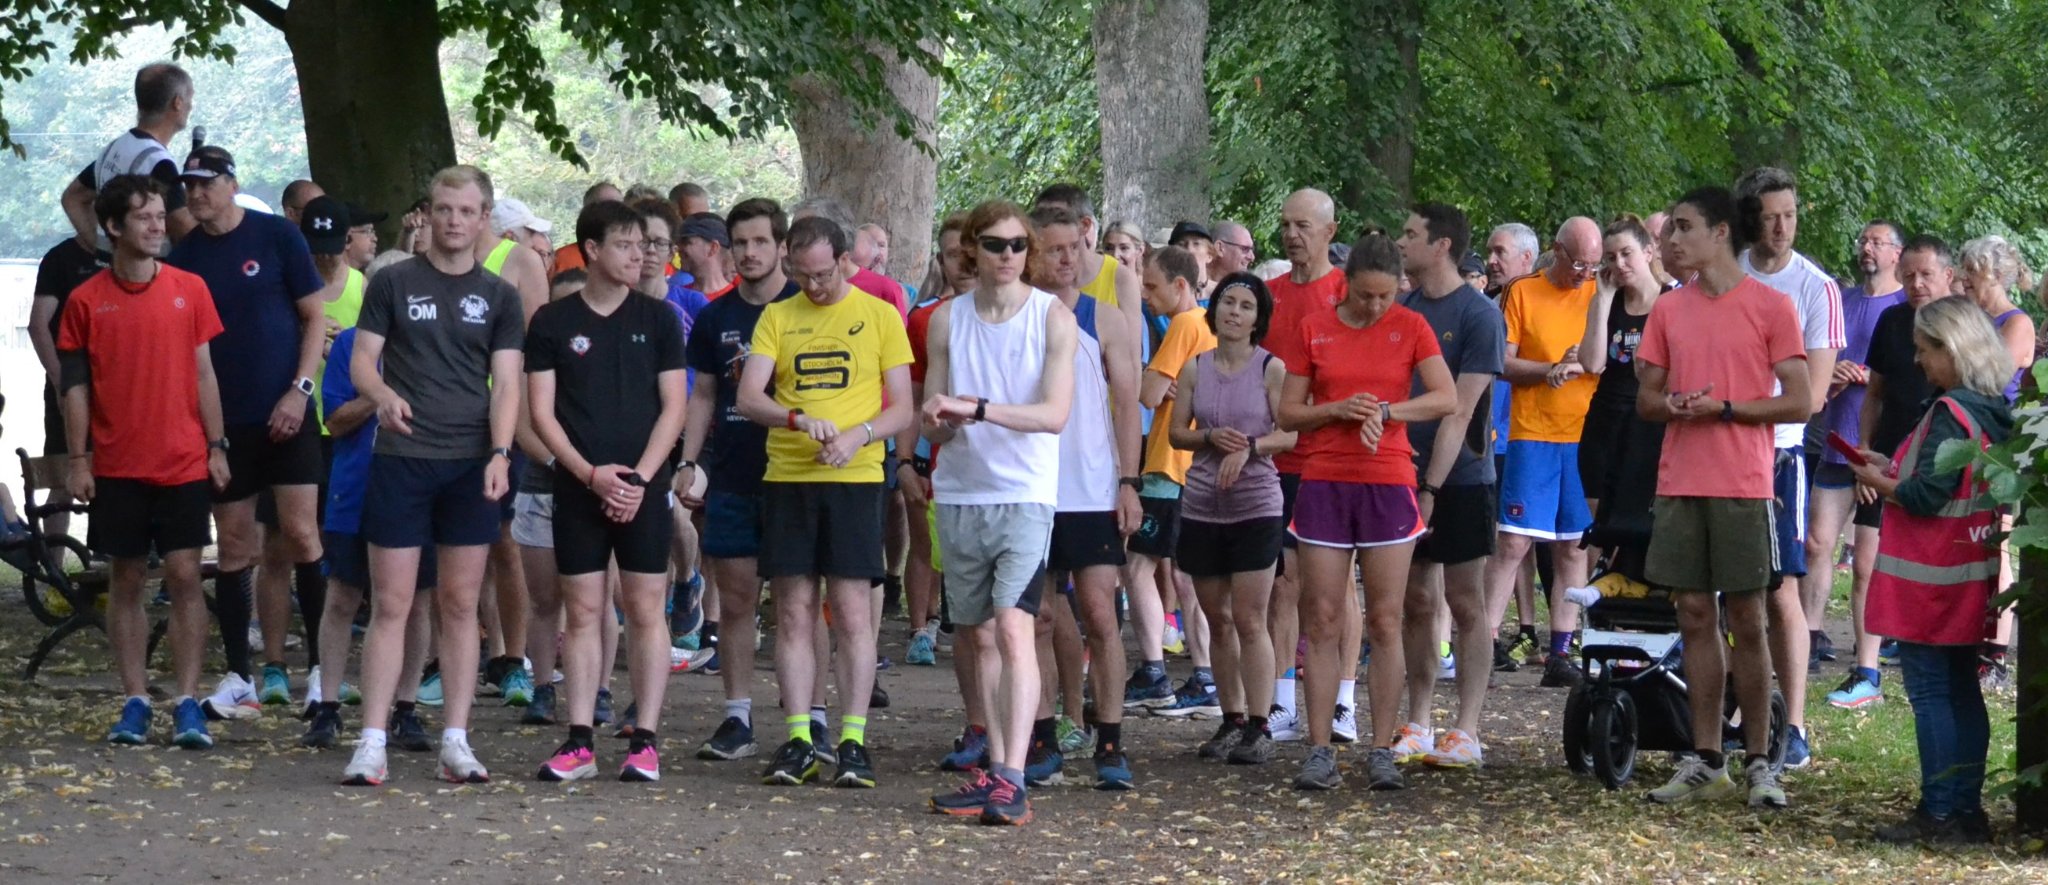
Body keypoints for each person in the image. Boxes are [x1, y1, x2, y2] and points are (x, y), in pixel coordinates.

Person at [341, 165, 525, 786]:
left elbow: (507, 385)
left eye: (466, 211)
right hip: (401, 462)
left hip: (470, 465)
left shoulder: (501, 297)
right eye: (443, 208)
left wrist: (501, 452)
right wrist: (384, 396)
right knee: (391, 603)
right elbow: (364, 365)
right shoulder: (391, 281)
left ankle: (456, 739)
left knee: (460, 604)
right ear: (428, 213)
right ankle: (371, 741)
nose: (453, 221)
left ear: (483, 219)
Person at [1635, 185, 1810, 809]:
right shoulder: (1668, 310)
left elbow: (1800, 399)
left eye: (1681, 227)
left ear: (1717, 234)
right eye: (1668, 228)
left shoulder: (1770, 307)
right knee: (1691, 614)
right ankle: (1706, 759)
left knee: (1748, 620)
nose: (1670, 240)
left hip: (1745, 484)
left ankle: (1762, 759)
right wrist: (1675, 406)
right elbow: (1646, 401)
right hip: (1680, 482)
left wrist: (1728, 410)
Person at [736, 215, 913, 788]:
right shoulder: (778, 317)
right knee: (792, 612)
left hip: (857, 478)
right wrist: (795, 419)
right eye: (803, 276)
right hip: (788, 477)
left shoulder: (881, 314)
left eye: (823, 275)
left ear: (843, 261)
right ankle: (798, 738)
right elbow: (748, 395)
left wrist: (859, 436)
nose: (814, 288)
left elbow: (903, 409)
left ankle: (854, 740)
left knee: (853, 613)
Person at [1276, 233, 1456, 792]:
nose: (1376, 307)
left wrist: (1387, 409)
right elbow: (1287, 410)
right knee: (1324, 619)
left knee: (1385, 619)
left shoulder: (1412, 326)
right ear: (1346, 281)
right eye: (1365, 295)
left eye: (1385, 296)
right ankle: (1320, 749)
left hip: (1388, 481)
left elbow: (1446, 397)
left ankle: (1381, 748)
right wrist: (1336, 409)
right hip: (1326, 480)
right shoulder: (1316, 327)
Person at [920, 200, 1077, 826]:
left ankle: (1013, 777)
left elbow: (1053, 415)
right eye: (994, 245)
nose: (1007, 256)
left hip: (1026, 495)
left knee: (1014, 630)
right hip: (961, 493)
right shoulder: (945, 321)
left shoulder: (1051, 318)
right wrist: (937, 423)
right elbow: (936, 427)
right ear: (971, 252)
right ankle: (993, 768)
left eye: (1017, 245)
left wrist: (977, 407)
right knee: (977, 633)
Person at [61, 175, 228, 749]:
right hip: (116, 464)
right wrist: (79, 460)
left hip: (183, 460)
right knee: (126, 578)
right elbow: (75, 388)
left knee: (185, 576)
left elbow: (205, 372)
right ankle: (134, 699)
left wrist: (218, 445)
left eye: (161, 216)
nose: (159, 226)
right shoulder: (85, 301)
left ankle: (187, 701)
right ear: (113, 227)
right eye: (145, 218)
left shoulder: (190, 289)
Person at [526, 200, 689, 783]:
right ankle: (579, 742)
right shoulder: (551, 322)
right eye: (625, 245)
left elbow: (675, 407)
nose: (640, 255)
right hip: (578, 488)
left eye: (645, 245)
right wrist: (588, 474)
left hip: (645, 489)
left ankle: (644, 738)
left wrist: (642, 478)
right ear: (592, 250)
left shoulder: (661, 318)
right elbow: (540, 413)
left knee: (646, 607)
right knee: (584, 610)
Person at [165, 145, 330, 714]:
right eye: (189, 185)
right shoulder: (182, 258)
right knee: (235, 546)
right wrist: (207, 434)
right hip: (225, 425)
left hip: (288, 414)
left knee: (302, 535)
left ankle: (319, 672)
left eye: (207, 183)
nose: (197, 194)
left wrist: (301, 390)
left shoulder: (278, 238)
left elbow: (315, 316)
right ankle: (240, 677)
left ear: (232, 184)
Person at [1852, 296, 2014, 846]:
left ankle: (1941, 813)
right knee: (1962, 691)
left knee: (1931, 694)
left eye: (1925, 351)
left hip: (1929, 581)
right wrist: (1890, 465)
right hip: (1967, 575)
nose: (1918, 361)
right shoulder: (1989, 408)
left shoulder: (1951, 413)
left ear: (1954, 349)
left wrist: (1878, 482)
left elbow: (1924, 495)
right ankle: (1965, 811)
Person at [1017, 205, 1144, 789]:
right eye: (1053, 249)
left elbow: (1127, 407)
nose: (1067, 259)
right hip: (1029, 488)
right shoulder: (1015, 316)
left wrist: (1128, 482)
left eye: (1074, 247)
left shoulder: (1109, 319)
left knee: (1099, 615)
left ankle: (1110, 741)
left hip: (1091, 488)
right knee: (1036, 618)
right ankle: (1042, 737)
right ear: (1031, 253)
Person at [680, 198, 802, 761]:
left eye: (760, 242)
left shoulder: (808, 306)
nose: (749, 253)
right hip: (731, 472)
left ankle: (811, 722)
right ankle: (737, 717)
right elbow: (703, 394)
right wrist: (689, 461)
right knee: (735, 600)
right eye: (740, 243)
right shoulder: (714, 316)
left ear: (782, 247)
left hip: (799, 473)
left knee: (801, 603)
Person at [1733, 166, 1843, 770]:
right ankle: (1737, 715)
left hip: (1780, 451)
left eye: (1791, 214)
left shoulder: (1815, 287)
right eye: (1772, 215)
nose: (1782, 227)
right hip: (1719, 452)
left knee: (1781, 590)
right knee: (1726, 591)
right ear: (1750, 217)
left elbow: (1817, 392)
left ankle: (1795, 724)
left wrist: (1735, 409)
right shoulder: (1725, 275)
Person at [1162, 272, 1295, 765]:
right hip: (1201, 505)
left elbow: (1291, 435)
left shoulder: (1271, 368)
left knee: (1250, 618)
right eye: (1227, 303)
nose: (1234, 312)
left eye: (1245, 306)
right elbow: (1178, 434)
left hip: (1257, 504)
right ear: (1213, 309)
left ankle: (1261, 724)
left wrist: (1252, 448)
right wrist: (1210, 438)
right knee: (1217, 619)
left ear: (1259, 318)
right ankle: (1231, 717)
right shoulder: (1196, 367)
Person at [1392, 203, 1506, 769]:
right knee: (1415, 599)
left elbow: (1460, 412)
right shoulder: (1404, 306)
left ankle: (1466, 730)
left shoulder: (1481, 316)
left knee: (1466, 602)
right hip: (1400, 472)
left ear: (1441, 246)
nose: (1400, 242)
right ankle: (1417, 718)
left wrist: (1431, 488)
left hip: (1460, 478)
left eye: (1410, 234)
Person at [300, 324, 438, 753]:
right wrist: (380, 395)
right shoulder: (349, 344)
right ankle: (328, 706)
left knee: (416, 601)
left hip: (418, 491)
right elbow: (335, 421)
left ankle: (405, 707)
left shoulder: (434, 338)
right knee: (342, 596)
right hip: (354, 489)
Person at [1484, 217, 1602, 688]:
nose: (1584, 272)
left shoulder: (1600, 294)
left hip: (1582, 434)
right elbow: (1502, 361)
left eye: (1593, 265)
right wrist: (1548, 369)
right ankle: (1487, 642)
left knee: (1573, 546)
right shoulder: (1523, 292)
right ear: (1556, 251)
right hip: (1531, 432)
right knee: (1514, 540)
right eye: (1578, 262)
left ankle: (1560, 650)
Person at [1260, 187, 1347, 742]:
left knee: (1339, 591)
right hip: (1276, 459)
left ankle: (1342, 704)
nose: (1293, 235)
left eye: (1305, 226)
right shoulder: (1265, 296)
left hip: (1332, 458)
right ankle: (1281, 702)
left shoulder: (1346, 292)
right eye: (1287, 225)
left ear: (1329, 232)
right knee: (1284, 584)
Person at [1817, 222, 1907, 710]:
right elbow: (1820, 358)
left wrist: (1872, 376)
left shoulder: (1902, 310)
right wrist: (1831, 374)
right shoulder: (1843, 298)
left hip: (1877, 449)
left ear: (1896, 253)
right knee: (1814, 545)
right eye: (1863, 241)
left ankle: (1867, 666)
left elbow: (1907, 376)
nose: (1867, 248)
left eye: (1877, 242)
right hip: (1835, 441)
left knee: (1867, 564)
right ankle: (1809, 640)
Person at [1128, 246, 1219, 717]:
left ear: (1180, 286)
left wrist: (1153, 379)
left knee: (1139, 565)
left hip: (1166, 464)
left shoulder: (1183, 326)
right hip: (1195, 467)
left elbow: (1146, 394)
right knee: (1186, 572)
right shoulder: (1208, 325)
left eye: (1152, 285)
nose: (1146, 295)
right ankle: (1204, 675)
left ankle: (1154, 671)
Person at [1577, 215, 1667, 518]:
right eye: (1611, 257)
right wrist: (1602, 300)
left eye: (1626, 254)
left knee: (1640, 519)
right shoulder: (1607, 301)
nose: (1619, 264)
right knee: (1598, 518)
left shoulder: (1672, 302)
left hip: (1650, 422)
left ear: (1648, 252)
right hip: (1606, 419)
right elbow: (1591, 363)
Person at [28, 227, 108, 546]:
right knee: (63, 473)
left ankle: (103, 563)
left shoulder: (127, 257)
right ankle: (55, 570)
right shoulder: (61, 258)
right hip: (70, 382)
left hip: (115, 387)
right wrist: (60, 379)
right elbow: (38, 325)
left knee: (114, 477)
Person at [62, 63, 197, 247]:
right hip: (146, 272)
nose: (191, 106)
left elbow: (73, 197)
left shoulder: (114, 148)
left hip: (112, 267)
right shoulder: (157, 161)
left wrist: (101, 247)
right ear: (178, 103)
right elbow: (184, 227)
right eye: (190, 98)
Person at [1032, 185, 1143, 341]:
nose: (1050, 224)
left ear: (1085, 225)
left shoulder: (1119, 277)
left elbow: (1131, 357)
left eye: (1059, 217)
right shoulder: (1029, 279)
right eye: (1041, 218)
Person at [552, 181, 624, 274]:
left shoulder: (634, 254)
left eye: (621, 207)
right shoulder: (563, 258)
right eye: (607, 206)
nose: (616, 213)